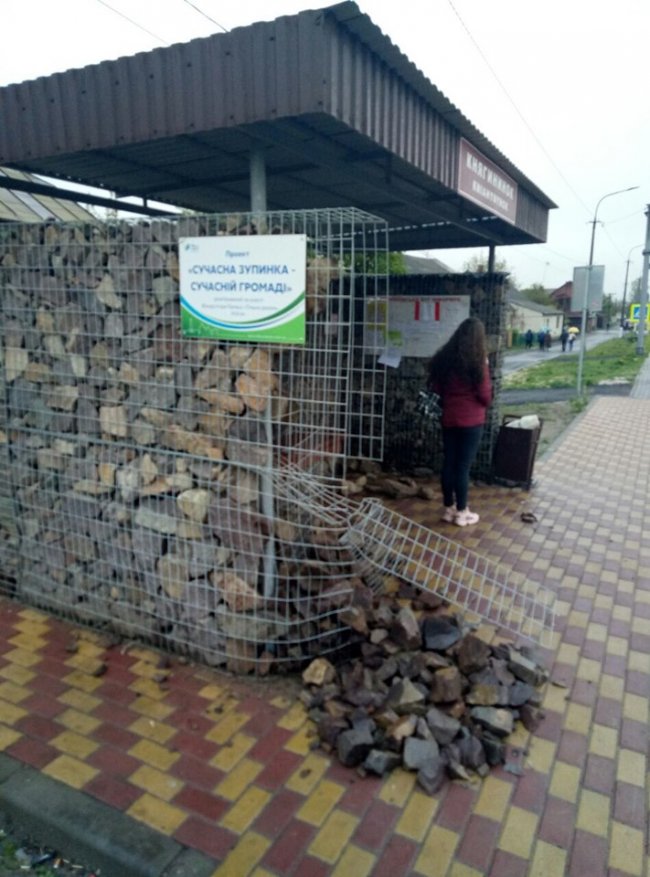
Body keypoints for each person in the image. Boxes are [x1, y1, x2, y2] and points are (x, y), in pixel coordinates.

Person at [427, 317, 492, 527]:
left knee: (449, 463)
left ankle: (449, 508)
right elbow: (485, 396)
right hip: (472, 422)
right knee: (463, 467)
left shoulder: (445, 359)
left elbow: (436, 388)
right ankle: (463, 512)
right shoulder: (478, 362)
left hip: (449, 418)